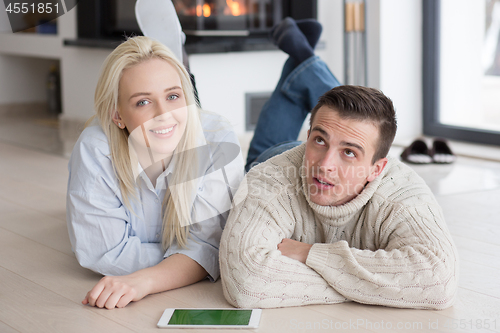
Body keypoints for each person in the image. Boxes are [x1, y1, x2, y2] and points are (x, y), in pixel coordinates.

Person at [220, 18, 458, 310]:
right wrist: (378, 285)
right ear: (308, 137)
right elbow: (246, 283)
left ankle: (302, 58)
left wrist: (311, 254)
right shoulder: (270, 179)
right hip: (276, 158)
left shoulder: (402, 193)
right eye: (318, 140)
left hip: (302, 157)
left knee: (344, 121)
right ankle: (303, 58)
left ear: (377, 169)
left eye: (349, 153)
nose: (325, 165)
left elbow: (438, 282)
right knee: (311, 133)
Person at [66, 36, 244, 309]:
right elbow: (101, 252)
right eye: (143, 102)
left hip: (250, 180)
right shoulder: (95, 150)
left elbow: (210, 248)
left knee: (276, 152)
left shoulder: (218, 138)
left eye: (173, 96)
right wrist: (188, 256)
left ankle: (303, 63)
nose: (164, 114)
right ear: (118, 116)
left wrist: (145, 280)